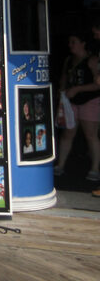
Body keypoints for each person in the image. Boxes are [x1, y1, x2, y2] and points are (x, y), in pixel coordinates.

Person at [54, 31, 100, 181]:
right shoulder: (69, 60)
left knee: (91, 135)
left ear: (83, 43)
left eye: (73, 42)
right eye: (70, 42)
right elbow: (64, 78)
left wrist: (78, 89)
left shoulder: (92, 60)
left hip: (90, 100)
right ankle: (60, 165)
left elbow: (97, 84)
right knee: (68, 133)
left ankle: (95, 169)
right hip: (70, 102)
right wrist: (62, 90)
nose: (70, 45)